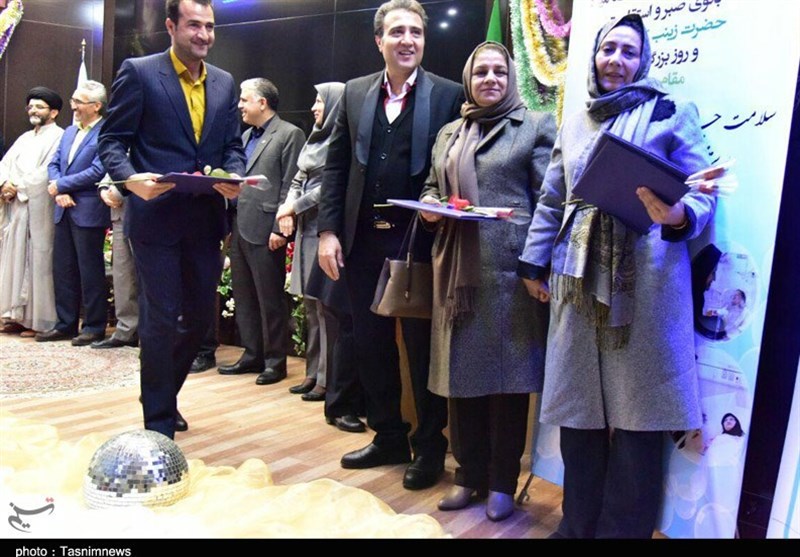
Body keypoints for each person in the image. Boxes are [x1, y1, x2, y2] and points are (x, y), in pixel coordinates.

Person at [517, 14, 716, 538]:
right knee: (579, 412)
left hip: (646, 280)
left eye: (629, 52)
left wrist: (680, 215)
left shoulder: (671, 111)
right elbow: (553, 197)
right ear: (595, 56)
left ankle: (621, 532)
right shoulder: (575, 119)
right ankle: (577, 525)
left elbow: (702, 189)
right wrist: (533, 262)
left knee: (638, 415)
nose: (616, 60)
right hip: (577, 278)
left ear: (643, 60)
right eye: (609, 49)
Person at [317, 0, 464, 490]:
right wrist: (328, 231)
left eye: (416, 32)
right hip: (362, 242)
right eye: (397, 31)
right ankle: (388, 436)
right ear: (379, 40)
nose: (408, 40)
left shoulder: (448, 94)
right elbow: (336, 167)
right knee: (370, 344)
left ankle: (430, 446)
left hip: (419, 242)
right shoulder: (355, 92)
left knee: (422, 350)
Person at [418, 41, 555, 521]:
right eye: (481, 72)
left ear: (511, 78)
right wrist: (431, 209)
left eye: (499, 71)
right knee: (461, 377)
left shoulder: (534, 125)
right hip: (457, 272)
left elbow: (549, 201)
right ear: (468, 79)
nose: (490, 79)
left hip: (508, 274)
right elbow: (432, 186)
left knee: (507, 383)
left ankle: (501, 483)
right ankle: (468, 476)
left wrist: (535, 265)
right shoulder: (451, 132)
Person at [98, 0, 246, 439]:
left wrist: (233, 175)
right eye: (194, 25)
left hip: (205, 220)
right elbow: (111, 141)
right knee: (160, 318)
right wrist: (130, 180)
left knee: (199, 321)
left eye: (210, 26)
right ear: (170, 26)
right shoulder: (140, 72)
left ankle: (160, 393)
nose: (204, 35)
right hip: (155, 217)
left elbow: (232, 146)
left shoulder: (224, 81)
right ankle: (158, 425)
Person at [216, 78, 305, 386]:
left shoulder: (289, 134)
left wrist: (281, 228)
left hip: (268, 228)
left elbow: (291, 183)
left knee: (270, 299)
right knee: (244, 296)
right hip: (240, 225)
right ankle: (252, 354)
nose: (240, 105)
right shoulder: (244, 136)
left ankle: (275, 361)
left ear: (262, 103)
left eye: (245, 99)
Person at [276, 82, 345, 402]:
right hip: (304, 229)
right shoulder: (313, 138)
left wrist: (294, 207)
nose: (315, 107)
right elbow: (297, 179)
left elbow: (328, 186)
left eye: (320, 101)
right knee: (308, 304)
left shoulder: (339, 139)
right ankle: (312, 372)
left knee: (324, 308)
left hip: (324, 230)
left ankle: (328, 378)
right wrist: (286, 208)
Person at [36, 80, 110, 346]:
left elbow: (98, 170)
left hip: (88, 210)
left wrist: (62, 186)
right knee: (63, 269)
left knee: (90, 271)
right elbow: (54, 164)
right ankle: (65, 324)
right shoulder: (69, 131)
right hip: (63, 208)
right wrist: (59, 190)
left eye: (79, 102)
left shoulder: (106, 132)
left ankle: (94, 326)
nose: (74, 106)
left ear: (96, 106)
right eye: (73, 101)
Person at [0, 87, 64, 337]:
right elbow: (5, 164)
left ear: (54, 112)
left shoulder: (59, 136)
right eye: (31, 106)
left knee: (38, 261)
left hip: (39, 209)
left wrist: (19, 186)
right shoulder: (25, 138)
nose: (33, 111)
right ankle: (15, 315)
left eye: (39, 106)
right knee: (14, 257)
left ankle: (39, 320)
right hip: (17, 207)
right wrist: (4, 184)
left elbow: (47, 172)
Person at [92, 180, 140, 349]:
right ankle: (126, 331)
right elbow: (111, 170)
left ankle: (153, 334)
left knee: (149, 276)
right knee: (122, 276)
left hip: (146, 211)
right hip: (119, 213)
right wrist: (104, 189)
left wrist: (118, 189)